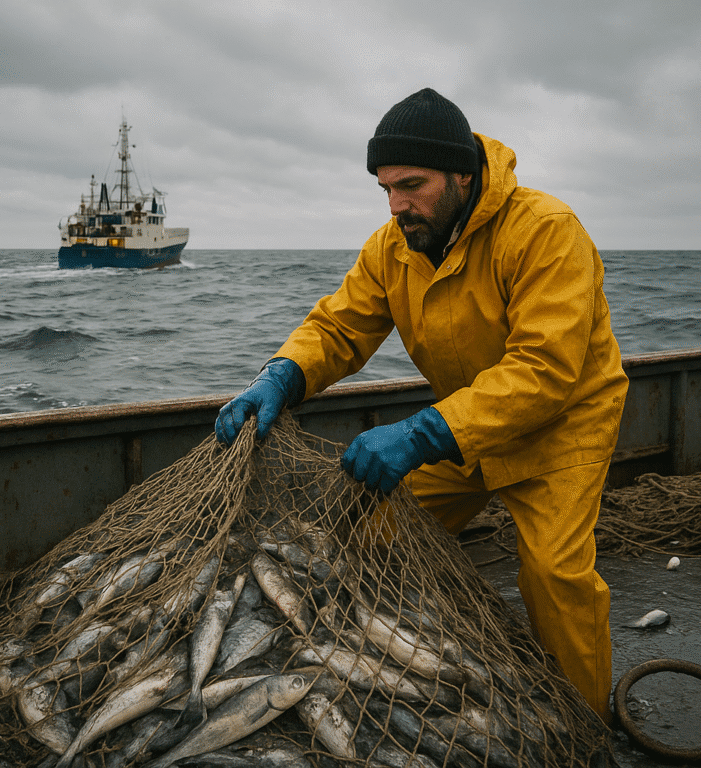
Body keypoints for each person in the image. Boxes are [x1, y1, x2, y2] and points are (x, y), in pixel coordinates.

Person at [215, 88, 628, 724]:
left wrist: (421, 433)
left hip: (560, 425)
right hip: (464, 425)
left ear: (462, 174)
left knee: (555, 575)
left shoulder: (546, 230)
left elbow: (544, 370)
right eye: (385, 188)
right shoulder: (393, 246)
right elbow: (338, 328)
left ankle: (586, 728)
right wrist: (280, 375)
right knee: (366, 529)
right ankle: (406, 670)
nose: (396, 205)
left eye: (412, 185)